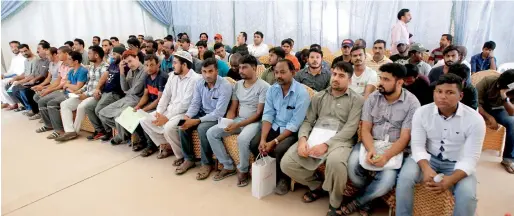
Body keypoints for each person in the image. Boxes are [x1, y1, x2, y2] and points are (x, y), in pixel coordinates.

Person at [281, 61, 364, 215]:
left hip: (341, 141)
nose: (336, 78)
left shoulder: (357, 99)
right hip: (316, 136)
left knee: (336, 163)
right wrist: (303, 140)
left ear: (350, 80)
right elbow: (307, 121)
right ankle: (317, 186)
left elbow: (351, 128)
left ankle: (335, 203)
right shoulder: (319, 96)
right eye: (334, 74)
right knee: (286, 163)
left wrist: (327, 144)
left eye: (341, 76)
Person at [396, 73, 486, 216]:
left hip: (458, 162)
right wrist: (425, 168)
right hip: (428, 157)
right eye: (439, 92)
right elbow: (417, 146)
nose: (442, 96)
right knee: (404, 179)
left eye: (450, 92)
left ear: (460, 96)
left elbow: (471, 158)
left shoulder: (475, 120)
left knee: (468, 195)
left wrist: (451, 180)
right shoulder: (422, 112)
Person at [343, 63, 420, 215]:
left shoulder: (412, 103)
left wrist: (385, 157)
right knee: (352, 168)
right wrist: (371, 149)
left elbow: (405, 138)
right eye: (380, 78)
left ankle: (357, 202)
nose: (380, 83)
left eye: (386, 79)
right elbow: (365, 129)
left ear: (399, 82)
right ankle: (370, 198)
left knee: (385, 183)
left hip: (394, 147)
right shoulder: (373, 98)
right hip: (370, 141)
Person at [206, 55, 270, 186]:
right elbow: (233, 108)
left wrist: (238, 124)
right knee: (211, 133)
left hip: (255, 122)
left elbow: (259, 114)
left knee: (242, 139)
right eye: (239, 67)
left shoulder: (264, 87)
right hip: (239, 119)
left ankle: (243, 170)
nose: (240, 70)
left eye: (244, 67)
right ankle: (228, 166)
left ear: (254, 68)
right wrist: (228, 121)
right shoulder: (238, 85)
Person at [250, 59, 311, 195]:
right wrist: (263, 139)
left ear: (293, 73)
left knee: (280, 149)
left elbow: (295, 124)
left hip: (292, 131)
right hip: (275, 126)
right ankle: (267, 173)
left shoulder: (301, 94)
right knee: (255, 143)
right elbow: (268, 115)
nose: (278, 76)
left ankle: (283, 179)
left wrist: (274, 142)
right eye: (276, 72)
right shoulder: (272, 90)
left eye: (283, 72)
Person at [174, 58, 233, 180]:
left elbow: (219, 112)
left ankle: (207, 163)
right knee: (182, 125)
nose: (207, 75)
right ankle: (188, 159)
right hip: (201, 113)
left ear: (217, 71)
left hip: (217, 117)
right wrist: (188, 116)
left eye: (210, 71)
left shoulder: (225, 86)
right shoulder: (199, 83)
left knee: (202, 128)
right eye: (204, 71)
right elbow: (195, 104)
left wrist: (197, 121)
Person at [140, 51, 201, 161]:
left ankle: (181, 155)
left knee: (169, 127)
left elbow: (185, 104)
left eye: (175, 63)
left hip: (186, 114)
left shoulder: (195, 79)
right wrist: (159, 112)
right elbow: (166, 95)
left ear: (184, 65)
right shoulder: (172, 75)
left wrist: (166, 118)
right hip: (170, 110)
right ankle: (167, 146)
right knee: (144, 120)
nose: (172, 66)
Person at [55, 46, 109, 142]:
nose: (88, 55)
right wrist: (79, 91)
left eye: (90, 53)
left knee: (81, 107)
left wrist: (86, 94)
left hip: (96, 95)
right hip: (86, 93)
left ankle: (73, 132)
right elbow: (88, 84)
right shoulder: (91, 67)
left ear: (96, 55)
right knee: (65, 104)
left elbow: (102, 87)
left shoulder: (105, 68)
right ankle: (69, 130)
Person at [97, 50, 147, 144]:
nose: (129, 64)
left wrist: (127, 91)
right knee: (102, 113)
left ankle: (122, 136)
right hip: (127, 98)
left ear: (137, 58)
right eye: (127, 63)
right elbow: (124, 88)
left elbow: (136, 90)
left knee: (118, 116)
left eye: (130, 61)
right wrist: (122, 71)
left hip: (138, 100)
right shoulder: (130, 72)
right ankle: (124, 133)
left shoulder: (144, 70)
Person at [36, 51, 88, 140]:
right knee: (41, 100)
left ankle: (59, 130)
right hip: (67, 92)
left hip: (73, 94)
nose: (67, 61)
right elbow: (66, 84)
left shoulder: (82, 70)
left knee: (52, 103)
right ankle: (48, 125)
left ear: (76, 61)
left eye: (69, 59)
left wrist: (68, 86)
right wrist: (68, 86)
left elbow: (77, 87)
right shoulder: (71, 70)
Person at [127, 54, 169, 154]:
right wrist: (138, 106)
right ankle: (143, 141)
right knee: (134, 114)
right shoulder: (147, 76)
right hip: (151, 103)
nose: (149, 68)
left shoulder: (162, 77)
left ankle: (151, 145)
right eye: (146, 65)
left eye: (151, 65)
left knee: (142, 117)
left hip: (161, 106)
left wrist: (144, 110)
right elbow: (145, 95)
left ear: (158, 65)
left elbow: (160, 100)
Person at [84, 46, 127, 141]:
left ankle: (109, 132)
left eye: (115, 54)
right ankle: (100, 130)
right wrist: (97, 88)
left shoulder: (125, 66)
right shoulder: (112, 64)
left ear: (122, 55)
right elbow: (104, 76)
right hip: (105, 92)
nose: (113, 56)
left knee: (99, 109)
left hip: (115, 93)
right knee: (89, 107)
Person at [475, 69, 514, 174]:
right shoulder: (488, 81)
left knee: (512, 123)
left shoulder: (511, 89)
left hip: (500, 109)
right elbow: (475, 102)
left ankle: (508, 159)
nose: (498, 86)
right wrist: (489, 117)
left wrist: (504, 97)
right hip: (482, 108)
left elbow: (512, 112)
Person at [32, 46, 71, 122]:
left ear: (66, 54)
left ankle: (49, 120)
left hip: (63, 89)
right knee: (37, 96)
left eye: (59, 53)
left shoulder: (70, 66)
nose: (58, 55)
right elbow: (56, 80)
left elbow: (63, 84)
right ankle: (47, 116)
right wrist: (44, 87)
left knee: (42, 99)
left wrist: (48, 89)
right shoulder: (62, 65)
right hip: (57, 86)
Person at [11, 42, 50, 116]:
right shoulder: (39, 61)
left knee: (25, 90)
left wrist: (31, 81)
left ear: (46, 50)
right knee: (15, 88)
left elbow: (43, 75)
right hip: (34, 80)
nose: (37, 51)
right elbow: (32, 73)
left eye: (39, 49)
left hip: (40, 81)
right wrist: (20, 80)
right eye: (22, 52)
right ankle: (29, 108)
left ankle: (35, 110)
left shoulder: (39, 60)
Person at [27, 47, 62, 120]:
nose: (46, 57)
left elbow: (59, 81)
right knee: (35, 94)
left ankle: (47, 116)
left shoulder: (60, 64)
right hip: (51, 84)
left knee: (39, 96)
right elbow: (48, 78)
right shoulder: (51, 63)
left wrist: (45, 88)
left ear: (55, 54)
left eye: (48, 55)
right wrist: (39, 85)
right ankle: (44, 113)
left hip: (58, 86)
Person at [1, 41, 26, 110]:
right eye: (12, 47)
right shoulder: (14, 58)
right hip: (13, 76)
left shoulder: (24, 57)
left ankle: (12, 103)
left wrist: (10, 77)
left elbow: (22, 72)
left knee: (2, 83)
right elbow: (11, 71)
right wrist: (3, 75)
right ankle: (6, 101)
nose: (14, 48)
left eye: (15, 46)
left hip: (19, 77)